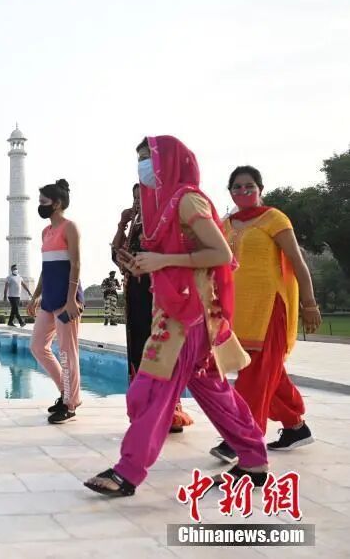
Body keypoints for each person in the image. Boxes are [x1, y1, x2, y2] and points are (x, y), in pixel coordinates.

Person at [84, 136, 268, 498]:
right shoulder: (164, 205)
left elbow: (220, 253)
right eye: (139, 160)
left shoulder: (188, 199)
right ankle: (253, 460)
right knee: (212, 390)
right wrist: (146, 265)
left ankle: (127, 471)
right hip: (177, 309)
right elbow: (175, 256)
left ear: (168, 161)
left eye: (147, 158)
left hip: (189, 314)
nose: (143, 167)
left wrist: (162, 260)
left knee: (153, 388)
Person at [208, 166, 321, 464]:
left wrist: (309, 303)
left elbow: (297, 261)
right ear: (230, 192)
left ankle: (242, 438)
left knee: (255, 372)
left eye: (249, 186)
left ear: (260, 189)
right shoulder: (225, 225)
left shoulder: (274, 218)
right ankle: (295, 426)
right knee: (269, 371)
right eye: (237, 187)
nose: (243, 191)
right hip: (238, 309)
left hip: (270, 307)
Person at [113, 184, 192, 434]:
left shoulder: (162, 224)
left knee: (161, 349)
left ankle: (170, 412)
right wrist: (122, 224)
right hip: (135, 295)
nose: (138, 202)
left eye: (142, 197)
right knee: (139, 348)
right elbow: (116, 254)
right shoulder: (135, 225)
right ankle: (144, 411)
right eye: (135, 198)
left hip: (158, 294)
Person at [27, 179, 84, 424]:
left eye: (44, 201)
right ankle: (67, 392)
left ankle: (70, 404)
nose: (40, 206)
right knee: (38, 346)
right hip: (49, 298)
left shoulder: (70, 227)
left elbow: (76, 264)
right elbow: (46, 268)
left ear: (57, 203)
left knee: (67, 353)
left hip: (66, 298)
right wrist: (35, 296)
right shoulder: (46, 231)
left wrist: (71, 300)